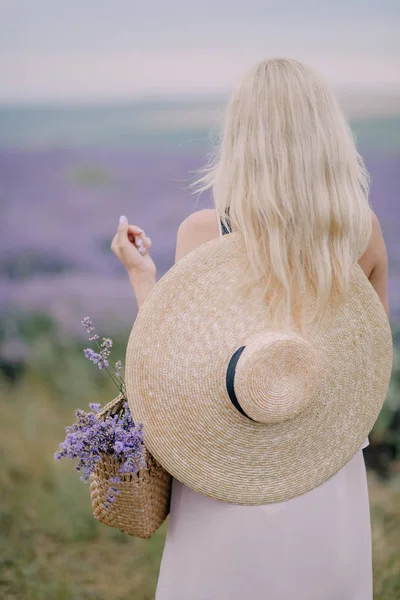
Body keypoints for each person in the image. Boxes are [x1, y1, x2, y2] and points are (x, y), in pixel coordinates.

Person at [111, 58, 390, 600]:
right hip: (323, 462)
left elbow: (171, 370)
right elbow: (370, 363)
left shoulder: (204, 232)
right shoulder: (364, 233)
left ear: (241, 138)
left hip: (225, 461)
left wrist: (141, 275)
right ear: (328, 134)